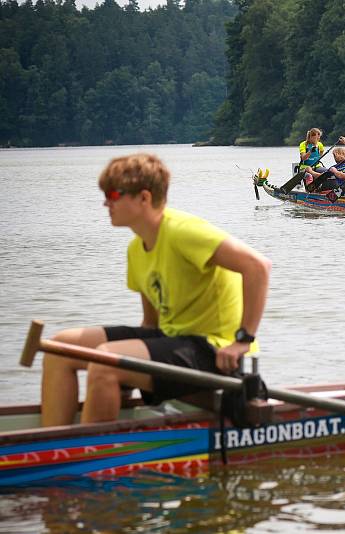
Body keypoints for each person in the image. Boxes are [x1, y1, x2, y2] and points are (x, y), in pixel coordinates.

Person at [40, 154, 272, 426]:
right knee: (58, 348)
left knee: (104, 362)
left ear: (144, 198)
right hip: (174, 340)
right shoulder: (136, 249)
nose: (106, 202)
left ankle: (92, 460)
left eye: (114, 194)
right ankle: (51, 444)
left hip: (214, 349)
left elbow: (258, 267)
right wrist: (126, 370)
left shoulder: (183, 231)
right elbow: (151, 325)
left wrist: (242, 340)